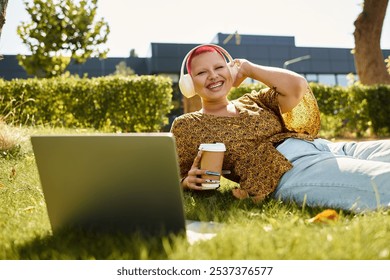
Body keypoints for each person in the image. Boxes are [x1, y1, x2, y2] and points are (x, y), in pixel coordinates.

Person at [170, 44, 390, 212]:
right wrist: (185, 183)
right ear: (189, 84)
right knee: (384, 179)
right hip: (290, 171)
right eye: (202, 73)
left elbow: (297, 87)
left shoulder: (254, 100)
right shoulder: (188, 125)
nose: (213, 76)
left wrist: (248, 68)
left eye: (219, 67)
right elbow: (171, 177)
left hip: (325, 148)